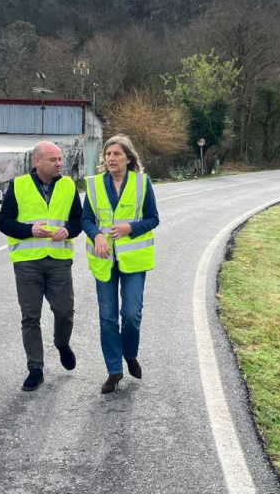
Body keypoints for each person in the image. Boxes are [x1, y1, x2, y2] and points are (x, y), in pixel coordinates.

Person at [0, 141, 83, 391]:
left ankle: (62, 343)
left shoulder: (68, 185)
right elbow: (3, 223)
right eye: (53, 160)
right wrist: (29, 230)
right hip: (27, 263)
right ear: (37, 161)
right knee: (30, 317)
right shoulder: (19, 185)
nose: (59, 163)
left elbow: (78, 221)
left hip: (58, 261)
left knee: (65, 312)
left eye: (60, 159)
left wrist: (68, 230)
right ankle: (35, 368)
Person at [82, 135, 160, 394]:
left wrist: (131, 227)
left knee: (131, 315)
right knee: (107, 318)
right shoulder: (93, 185)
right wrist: (97, 235)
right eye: (108, 154)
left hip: (132, 261)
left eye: (117, 154)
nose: (111, 158)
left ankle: (130, 353)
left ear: (128, 157)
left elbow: (153, 219)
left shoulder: (142, 183)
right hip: (104, 260)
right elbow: (86, 219)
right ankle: (114, 371)